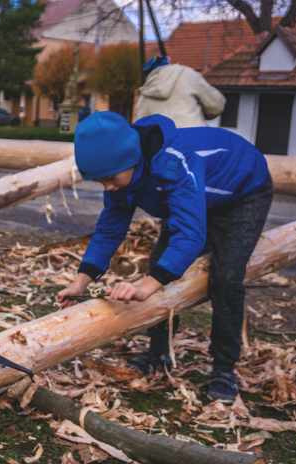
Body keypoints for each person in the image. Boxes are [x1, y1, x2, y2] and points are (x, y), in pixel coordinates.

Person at [56, 111, 273, 402]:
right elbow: (109, 230)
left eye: (109, 179)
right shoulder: (123, 172)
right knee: (160, 265)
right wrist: (80, 283)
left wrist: (145, 287)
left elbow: (190, 235)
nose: (107, 188)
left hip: (242, 193)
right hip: (199, 195)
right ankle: (159, 353)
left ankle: (223, 368)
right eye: (99, 182)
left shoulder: (174, 162)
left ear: (131, 158)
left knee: (226, 277)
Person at [134, 56, 226, 129]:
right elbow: (215, 106)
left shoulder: (145, 94)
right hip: (196, 138)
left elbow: (140, 128)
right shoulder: (187, 74)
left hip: (165, 146)